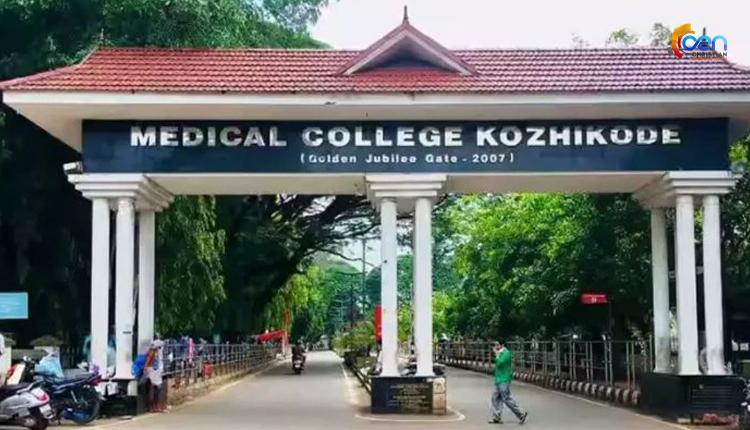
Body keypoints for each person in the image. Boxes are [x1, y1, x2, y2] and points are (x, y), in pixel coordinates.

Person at [489, 340, 528, 425]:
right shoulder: (500, 353)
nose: (495, 346)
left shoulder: (506, 353)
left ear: (502, 345)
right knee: (495, 397)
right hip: (498, 379)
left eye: (497, 345)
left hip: (504, 379)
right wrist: (497, 354)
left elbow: (500, 363)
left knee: (506, 398)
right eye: (495, 345)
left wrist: (497, 355)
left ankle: (521, 414)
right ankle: (497, 416)